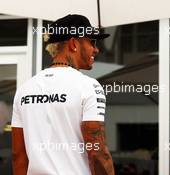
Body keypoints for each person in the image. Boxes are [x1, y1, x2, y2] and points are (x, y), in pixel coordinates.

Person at [11, 14, 115, 175]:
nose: (96, 49)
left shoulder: (25, 89)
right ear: (74, 43)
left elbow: (18, 156)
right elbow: (97, 152)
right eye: (92, 42)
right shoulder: (89, 86)